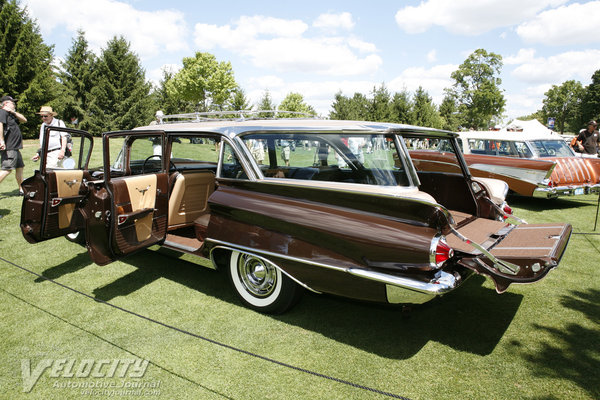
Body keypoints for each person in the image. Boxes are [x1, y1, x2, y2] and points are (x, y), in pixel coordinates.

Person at [0, 95, 27, 194]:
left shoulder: (11, 114)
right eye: (12, 103)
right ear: (6, 103)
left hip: (15, 147)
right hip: (9, 147)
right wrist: (1, 140)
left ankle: (22, 189)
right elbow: (0, 125)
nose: (14, 104)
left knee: (20, 167)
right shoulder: (2, 112)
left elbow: (24, 120)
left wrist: (13, 112)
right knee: (7, 169)